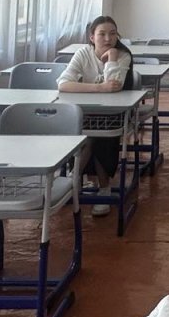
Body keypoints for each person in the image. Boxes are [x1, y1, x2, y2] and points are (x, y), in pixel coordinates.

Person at [57, 15, 133, 216]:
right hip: (86, 111)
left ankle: (92, 184)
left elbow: (114, 86)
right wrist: (99, 87)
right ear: (92, 37)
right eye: (102, 34)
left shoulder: (123, 55)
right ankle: (81, 182)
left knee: (96, 136)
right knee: (86, 132)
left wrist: (112, 58)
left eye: (113, 34)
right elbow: (63, 84)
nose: (108, 38)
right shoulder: (83, 53)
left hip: (115, 113)